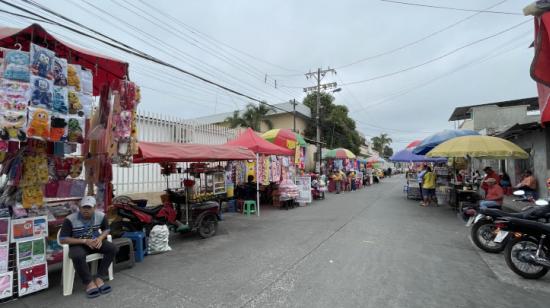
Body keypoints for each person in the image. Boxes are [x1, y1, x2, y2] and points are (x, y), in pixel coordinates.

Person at [59, 196, 118, 298]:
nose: (86, 210)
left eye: (89, 207)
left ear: (94, 208)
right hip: (78, 243)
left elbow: (107, 229)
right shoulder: (70, 219)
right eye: (83, 207)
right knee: (77, 255)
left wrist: (100, 238)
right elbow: (63, 239)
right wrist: (84, 241)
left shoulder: (101, 216)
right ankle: (89, 283)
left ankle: (99, 278)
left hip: (94, 241)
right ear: (79, 207)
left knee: (112, 248)